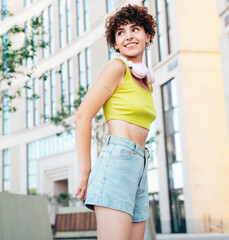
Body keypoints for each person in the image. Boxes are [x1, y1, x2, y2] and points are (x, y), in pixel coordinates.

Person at [74, 4, 158, 240]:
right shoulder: (116, 67)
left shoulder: (146, 82)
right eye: (120, 32)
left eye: (135, 29)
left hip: (140, 166)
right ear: (115, 43)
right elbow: (83, 115)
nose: (129, 36)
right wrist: (85, 170)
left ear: (147, 35)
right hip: (118, 162)